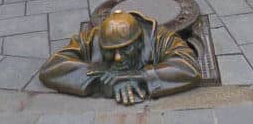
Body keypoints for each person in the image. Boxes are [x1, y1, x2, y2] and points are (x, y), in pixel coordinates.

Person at [39, 10, 201, 105]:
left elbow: (189, 67)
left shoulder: (161, 38)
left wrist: (138, 77)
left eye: (125, 49)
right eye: (109, 50)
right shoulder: (92, 38)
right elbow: (52, 67)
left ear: (140, 41)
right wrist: (100, 81)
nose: (117, 58)